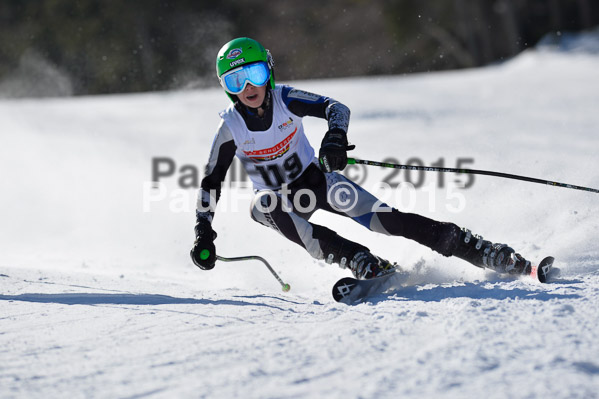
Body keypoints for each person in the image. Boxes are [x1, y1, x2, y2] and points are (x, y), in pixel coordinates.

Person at [190, 37, 532, 280]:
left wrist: (335, 137)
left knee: (389, 221)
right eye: (236, 80)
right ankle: (356, 258)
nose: (248, 87)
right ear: (227, 88)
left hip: (317, 181)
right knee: (263, 205)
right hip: (278, 201)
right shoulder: (230, 126)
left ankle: (477, 249)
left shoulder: (285, 99)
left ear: (269, 72)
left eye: (255, 75)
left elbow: (335, 107)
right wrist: (203, 230)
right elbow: (210, 181)